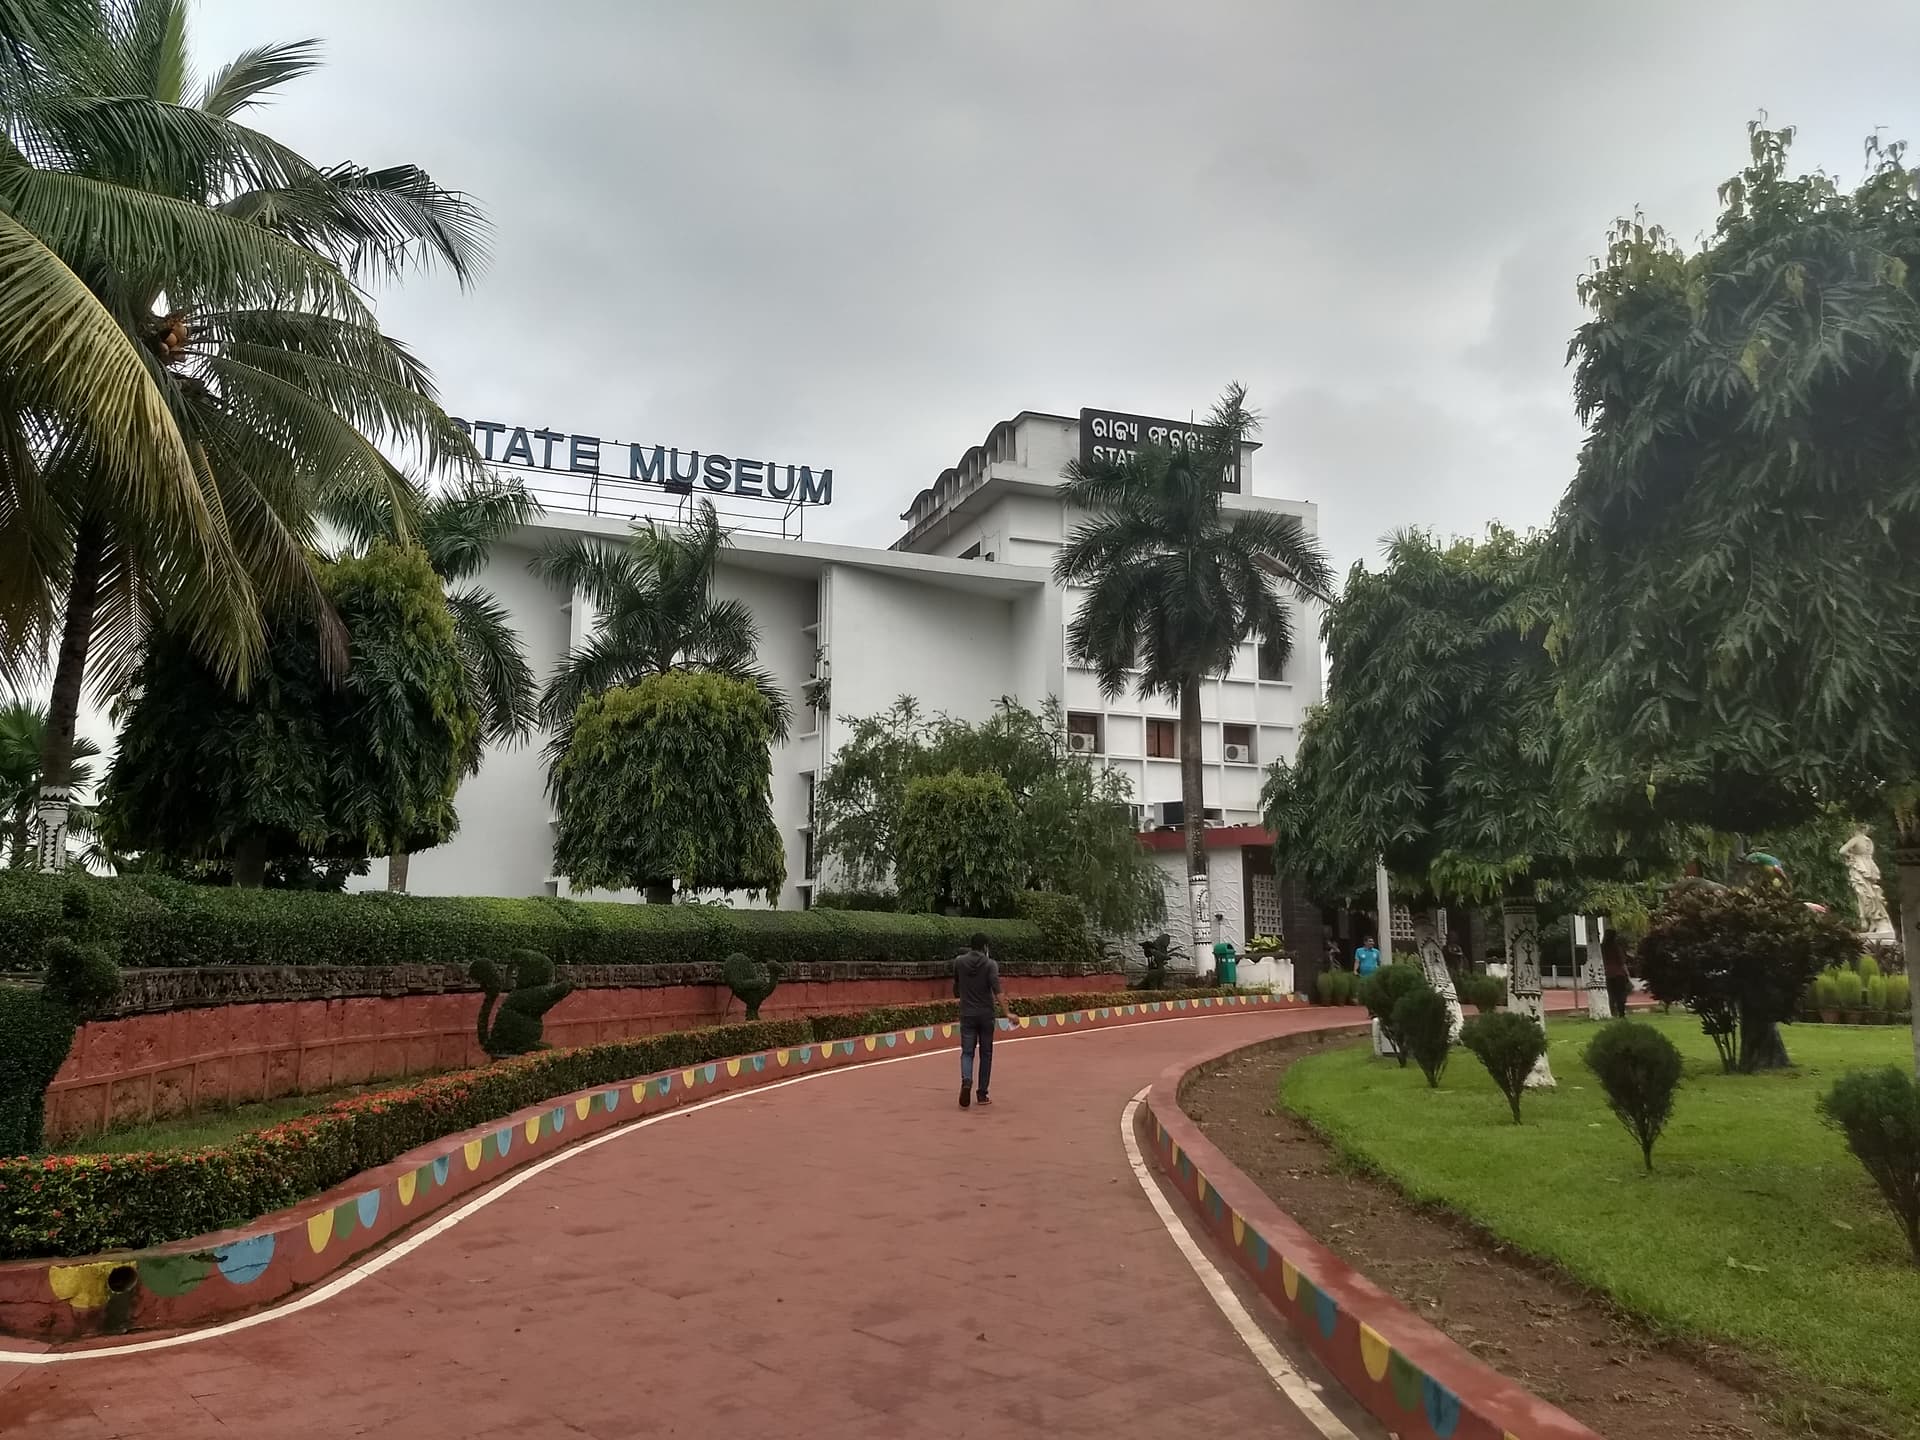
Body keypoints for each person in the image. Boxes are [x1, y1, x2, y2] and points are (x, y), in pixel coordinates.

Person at [953, 932, 1013, 1109]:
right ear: (985, 947)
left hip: (967, 1014)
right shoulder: (990, 964)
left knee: (967, 1052)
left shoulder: (959, 962)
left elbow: (956, 987)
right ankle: (982, 1094)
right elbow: (997, 990)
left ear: (971, 946)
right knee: (986, 1054)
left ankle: (966, 1080)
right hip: (986, 1015)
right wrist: (1007, 1012)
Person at [1602, 931, 1633, 1018]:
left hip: (1608, 974)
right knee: (1621, 994)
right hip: (1619, 974)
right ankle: (1621, 1013)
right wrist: (1627, 974)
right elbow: (1622, 962)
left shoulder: (1602, 948)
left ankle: (1612, 1012)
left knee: (1611, 995)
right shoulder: (1616, 947)